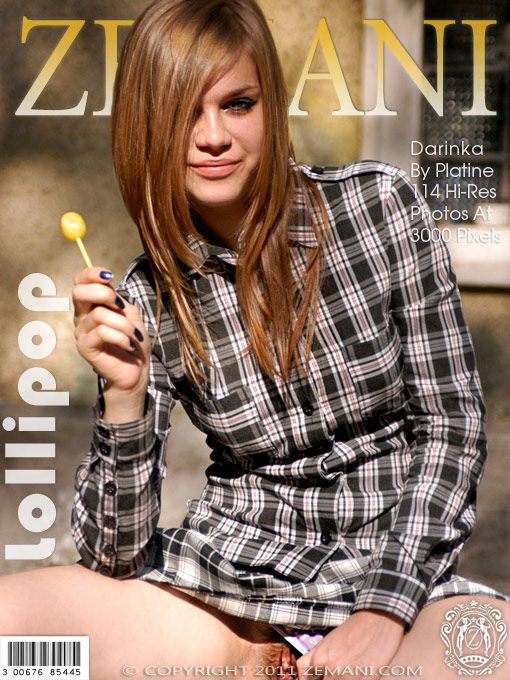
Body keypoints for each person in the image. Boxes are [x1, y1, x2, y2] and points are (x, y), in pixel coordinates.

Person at [1, 0, 509, 678]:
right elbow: (111, 557)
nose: (213, 136)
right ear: (145, 127)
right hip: (223, 591)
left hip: (400, 587)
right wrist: (123, 396)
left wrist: (382, 612)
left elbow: (451, 424)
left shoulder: (382, 208)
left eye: (237, 104)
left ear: (271, 107)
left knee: (492, 652)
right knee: (11, 637)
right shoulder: (146, 294)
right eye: (184, 112)